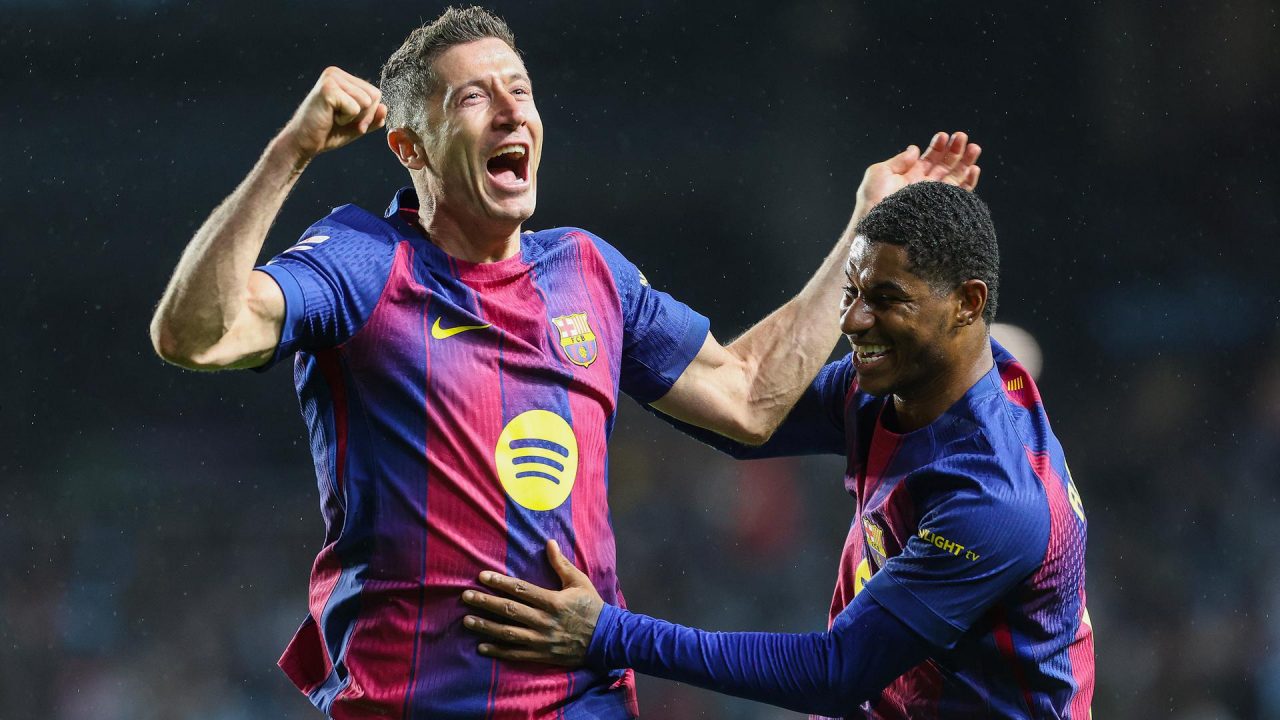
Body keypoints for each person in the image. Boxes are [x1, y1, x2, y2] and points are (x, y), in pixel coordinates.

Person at [148, 6, 982, 718]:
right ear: (410, 148)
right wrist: (290, 152)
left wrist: (866, 228)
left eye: (520, 90)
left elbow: (749, 396)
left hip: (584, 702)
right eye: (473, 97)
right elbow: (196, 336)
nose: (511, 113)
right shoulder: (365, 262)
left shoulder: (587, 271)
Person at [460, 181, 1093, 718]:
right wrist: (602, 337)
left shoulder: (995, 500)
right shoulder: (899, 387)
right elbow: (739, 411)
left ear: (968, 304)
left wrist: (608, 633)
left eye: (886, 300)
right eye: (853, 293)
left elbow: (836, 671)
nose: (852, 322)